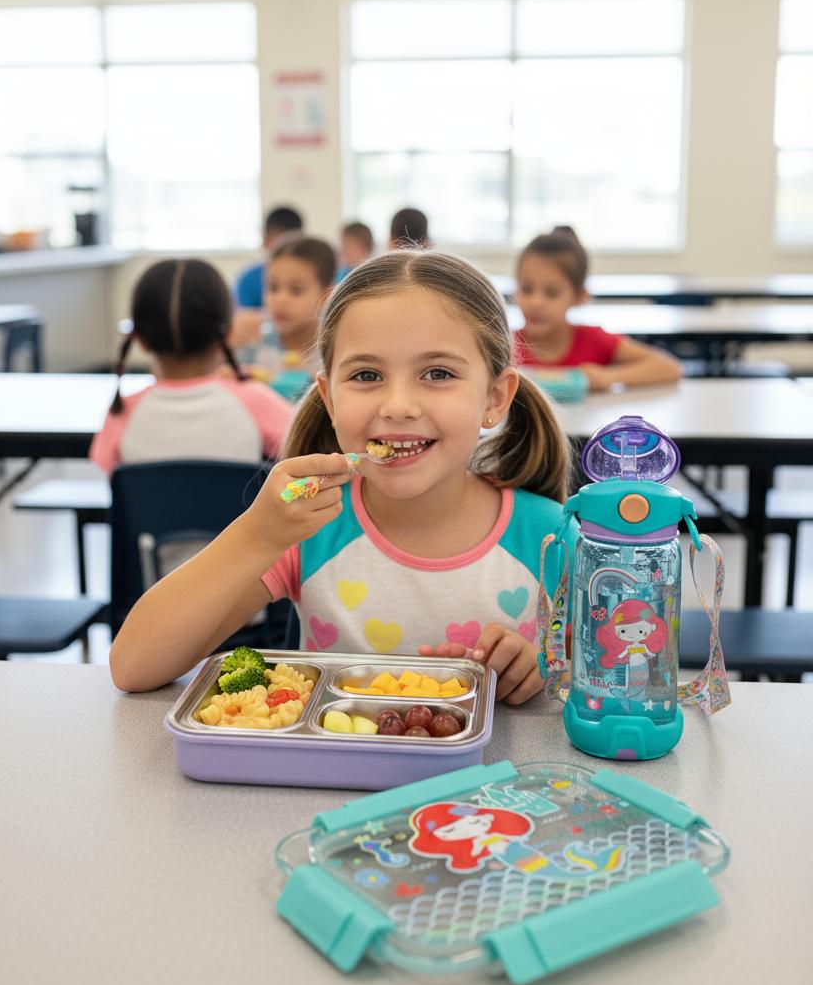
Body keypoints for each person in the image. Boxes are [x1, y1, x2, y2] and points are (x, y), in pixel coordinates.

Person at [110, 251, 576, 703]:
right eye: (367, 375)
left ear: (495, 398)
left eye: (437, 373)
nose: (398, 406)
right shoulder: (309, 528)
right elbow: (134, 666)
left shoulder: (551, 538)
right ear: (330, 399)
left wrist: (549, 667)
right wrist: (257, 534)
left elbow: (609, 667)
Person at [90, 258, 292, 475]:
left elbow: (102, 475)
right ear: (227, 333)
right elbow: (306, 444)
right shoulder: (255, 401)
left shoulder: (122, 412)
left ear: (139, 339)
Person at [512, 227, 682, 389]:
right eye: (526, 289)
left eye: (552, 293)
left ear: (580, 296)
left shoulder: (593, 340)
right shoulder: (506, 344)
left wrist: (609, 377)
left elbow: (669, 367)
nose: (536, 302)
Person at [238, 235, 336, 401]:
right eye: (273, 288)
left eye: (296, 290)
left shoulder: (332, 353)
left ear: (325, 296)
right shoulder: (254, 343)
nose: (280, 299)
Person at [233, 205, 303, 309]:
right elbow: (243, 316)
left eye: (296, 290)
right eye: (273, 287)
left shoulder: (309, 276)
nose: (282, 300)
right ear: (265, 239)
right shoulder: (249, 279)